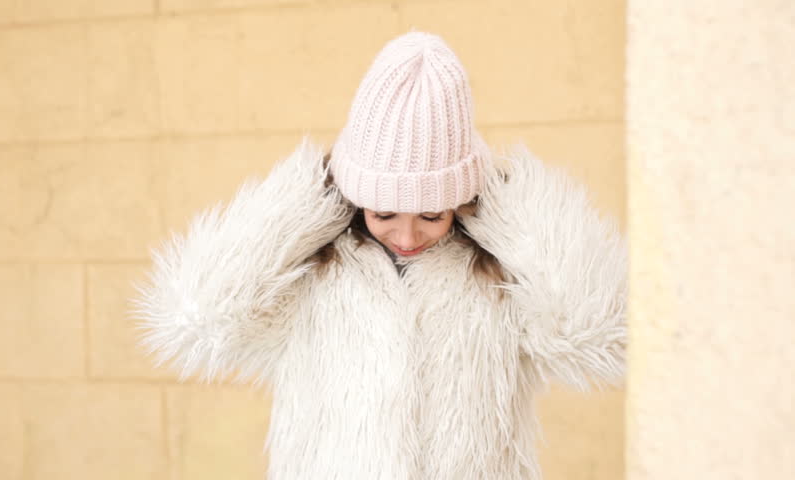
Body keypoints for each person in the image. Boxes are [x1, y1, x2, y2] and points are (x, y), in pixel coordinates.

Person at [130, 30, 627, 480]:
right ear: (354, 196)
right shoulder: (315, 273)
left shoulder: (496, 277)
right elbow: (196, 318)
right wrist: (300, 203)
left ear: (463, 201)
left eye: (432, 215)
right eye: (384, 212)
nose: (407, 236)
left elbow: (597, 332)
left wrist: (510, 205)